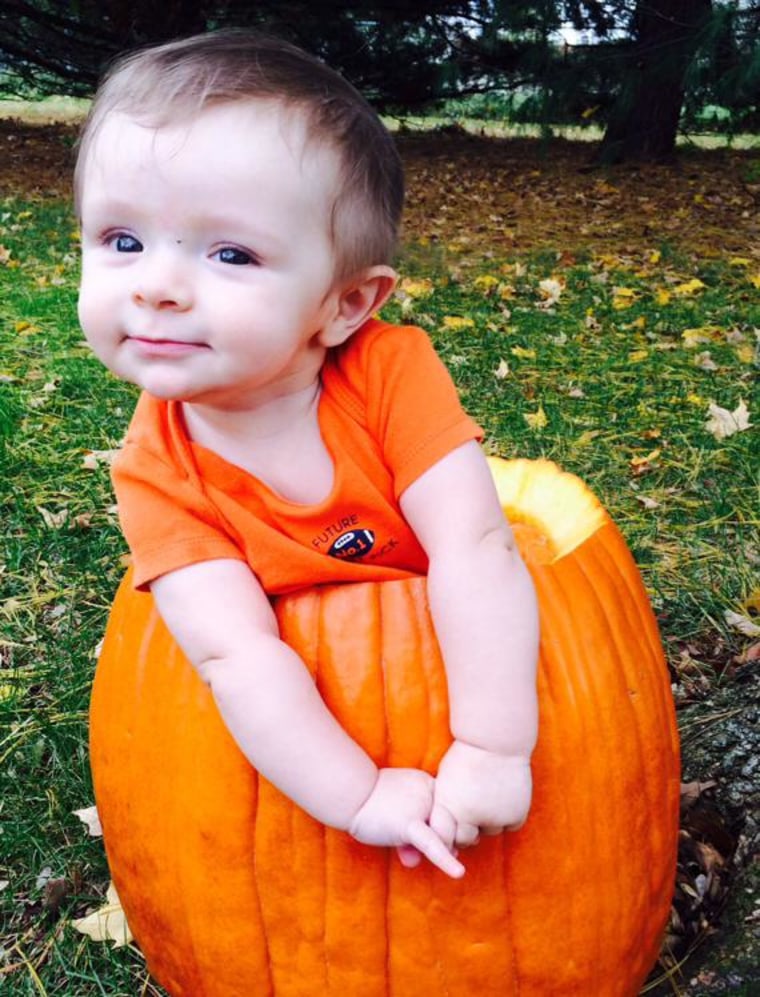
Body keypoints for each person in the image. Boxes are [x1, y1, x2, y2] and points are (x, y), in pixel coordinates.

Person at [76, 29, 539, 880]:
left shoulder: (390, 373)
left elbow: (475, 546)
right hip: (315, 735)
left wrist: (494, 743)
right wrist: (356, 794)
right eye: (121, 240)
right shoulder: (155, 473)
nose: (156, 284)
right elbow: (235, 654)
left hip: (456, 664)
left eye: (230, 253)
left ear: (345, 303)